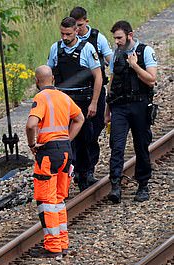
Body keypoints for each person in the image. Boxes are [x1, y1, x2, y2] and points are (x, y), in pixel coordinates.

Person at [26, 66, 85, 259]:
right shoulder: (64, 97)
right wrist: (67, 138)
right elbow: (79, 118)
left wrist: (32, 143)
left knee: (47, 201)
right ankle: (62, 243)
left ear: (37, 82)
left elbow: (31, 124)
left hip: (48, 153)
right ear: (52, 79)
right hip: (66, 152)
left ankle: (53, 248)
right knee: (59, 200)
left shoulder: (41, 98)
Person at [47, 17, 102, 191]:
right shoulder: (55, 49)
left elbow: (98, 77)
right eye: (62, 33)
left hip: (82, 100)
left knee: (85, 138)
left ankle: (85, 173)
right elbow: (49, 74)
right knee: (65, 141)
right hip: (63, 101)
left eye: (68, 34)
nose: (64, 37)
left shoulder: (87, 49)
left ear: (76, 31)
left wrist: (94, 102)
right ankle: (67, 176)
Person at [105, 20, 157, 203]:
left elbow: (151, 80)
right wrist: (107, 110)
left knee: (141, 145)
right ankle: (115, 185)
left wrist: (135, 65)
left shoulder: (145, 51)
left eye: (119, 37)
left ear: (130, 35)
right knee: (116, 146)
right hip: (119, 106)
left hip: (140, 105)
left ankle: (143, 185)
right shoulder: (116, 54)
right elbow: (111, 83)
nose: (117, 41)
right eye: (115, 38)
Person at [70, 6, 114, 184]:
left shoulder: (98, 38)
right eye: (75, 26)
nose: (77, 29)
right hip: (75, 95)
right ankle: (79, 169)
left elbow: (110, 61)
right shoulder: (68, 41)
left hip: (95, 91)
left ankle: (89, 168)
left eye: (80, 25)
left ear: (86, 22)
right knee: (75, 133)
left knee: (93, 131)